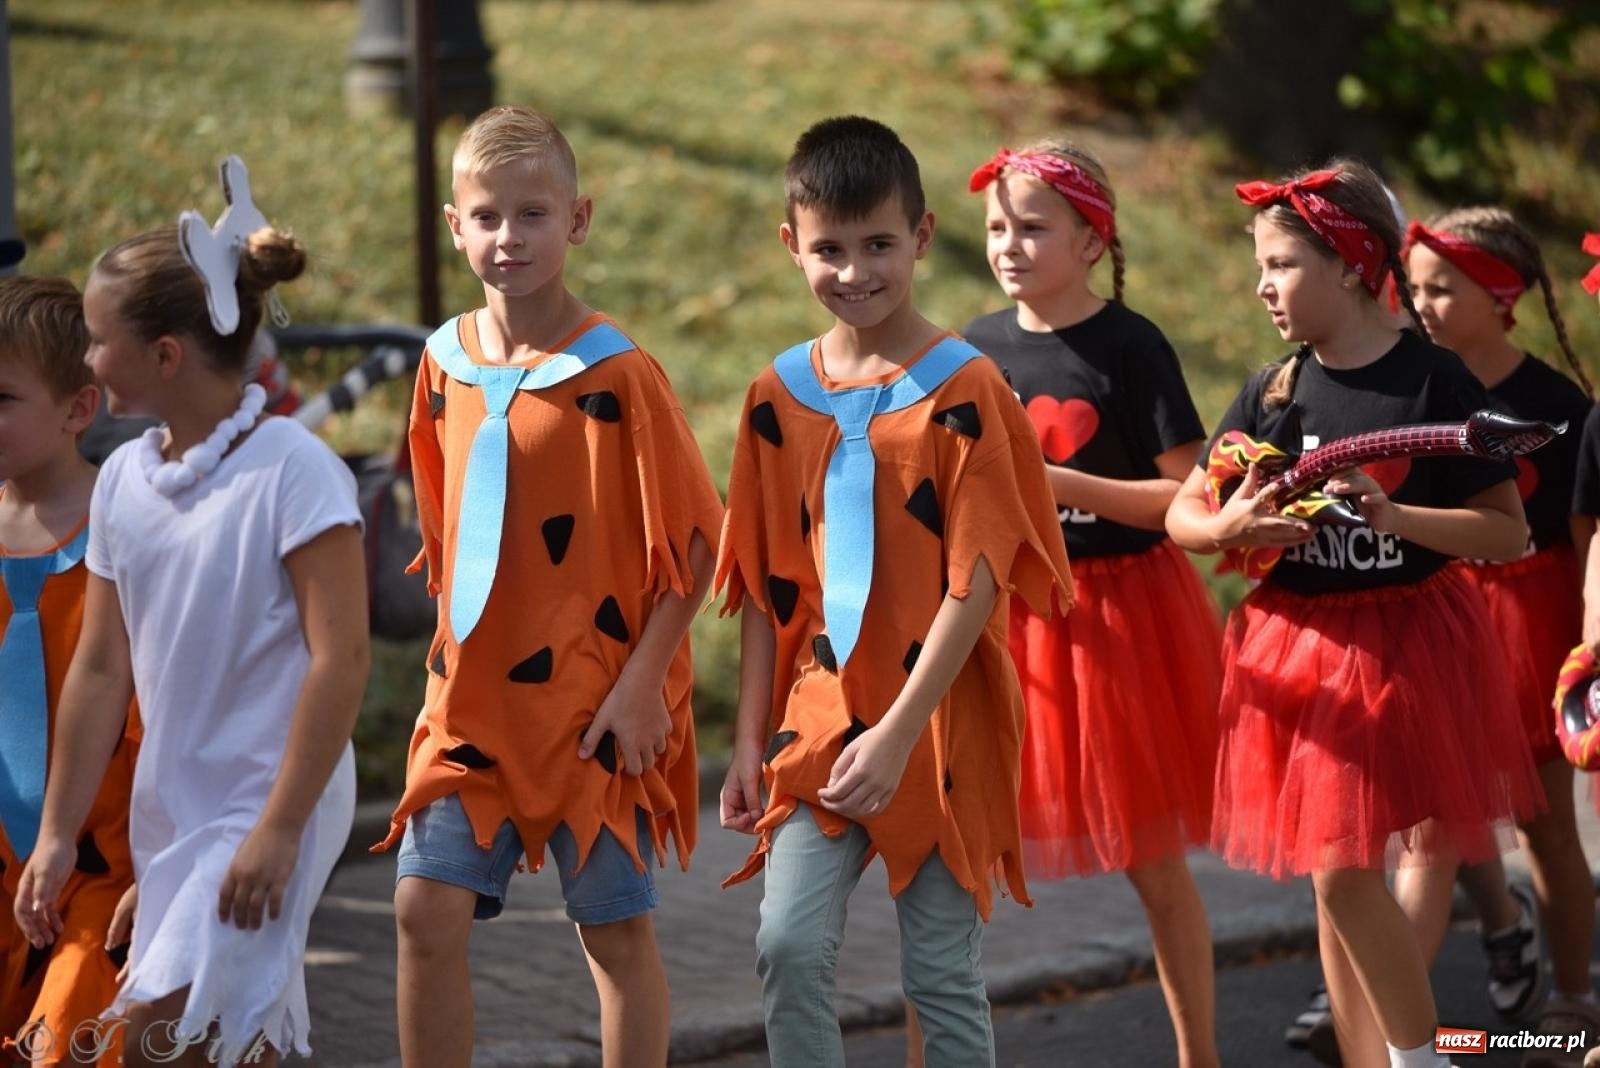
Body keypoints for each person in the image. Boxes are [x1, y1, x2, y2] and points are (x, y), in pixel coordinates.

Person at [1166, 158, 1543, 1068]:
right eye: (1259, 267)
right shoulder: (1276, 390)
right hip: (1297, 652)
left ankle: (1425, 1058)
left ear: (1347, 263)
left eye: (1282, 265)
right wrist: (1227, 524)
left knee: (1342, 875)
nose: (1263, 286)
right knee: (1333, 886)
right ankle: (1377, 1057)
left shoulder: (1432, 380)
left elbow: (1506, 534)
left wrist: (1396, 513)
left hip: (1408, 651)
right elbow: (1183, 510)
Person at [716, 115, 1073, 1068]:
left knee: (942, 977)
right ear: (792, 245)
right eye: (829, 249)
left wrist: (903, 729)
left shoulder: (967, 388)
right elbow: (761, 587)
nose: (855, 270)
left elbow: (981, 578)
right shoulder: (777, 394)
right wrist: (751, 739)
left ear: (920, 236)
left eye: (879, 243)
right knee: (787, 947)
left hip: (941, 721)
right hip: (821, 719)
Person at [373, 105, 723, 1068]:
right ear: (456, 225)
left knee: (613, 938)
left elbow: (698, 546)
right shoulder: (442, 363)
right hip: (472, 706)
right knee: (421, 911)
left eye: (533, 215)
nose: (508, 238)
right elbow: (448, 534)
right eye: (487, 216)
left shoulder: (617, 375)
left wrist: (643, 683)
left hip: (592, 706)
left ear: (577, 222)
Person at [13, 169, 367, 1068]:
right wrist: (57, 835)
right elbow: (100, 668)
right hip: (177, 807)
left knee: (152, 1041)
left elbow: (341, 659)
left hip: (272, 795)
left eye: (98, 341)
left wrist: (280, 826)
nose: (86, 360)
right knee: (227, 1038)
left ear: (165, 355)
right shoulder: (128, 480)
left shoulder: (294, 470)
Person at [961, 137, 1222, 1068]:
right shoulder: (971, 351)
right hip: (1005, 619)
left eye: (1034, 227)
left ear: (1089, 238)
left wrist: (1060, 482)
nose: (1010, 244)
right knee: (959, 862)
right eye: (998, 226)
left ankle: (1200, 1055)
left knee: (1154, 862)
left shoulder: (1130, 344)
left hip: (1122, 619)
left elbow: (1185, 496)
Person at [1400, 207, 1598, 1068]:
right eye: (1414, 288)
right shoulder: (1413, 386)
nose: (1423, 304)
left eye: (1443, 288)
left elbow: (1583, 536)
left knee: (1548, 827)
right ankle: (1402, 1020)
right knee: (1432, 826)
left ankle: (1571, 1001)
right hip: (1441, 615)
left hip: (1531, 622)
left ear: (1502, 296)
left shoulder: (1558, 407)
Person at [0, 276, 138, 1065]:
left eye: (3, 398)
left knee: (74, 1035)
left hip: (101, 866)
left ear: (78, 410)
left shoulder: (126, 532)